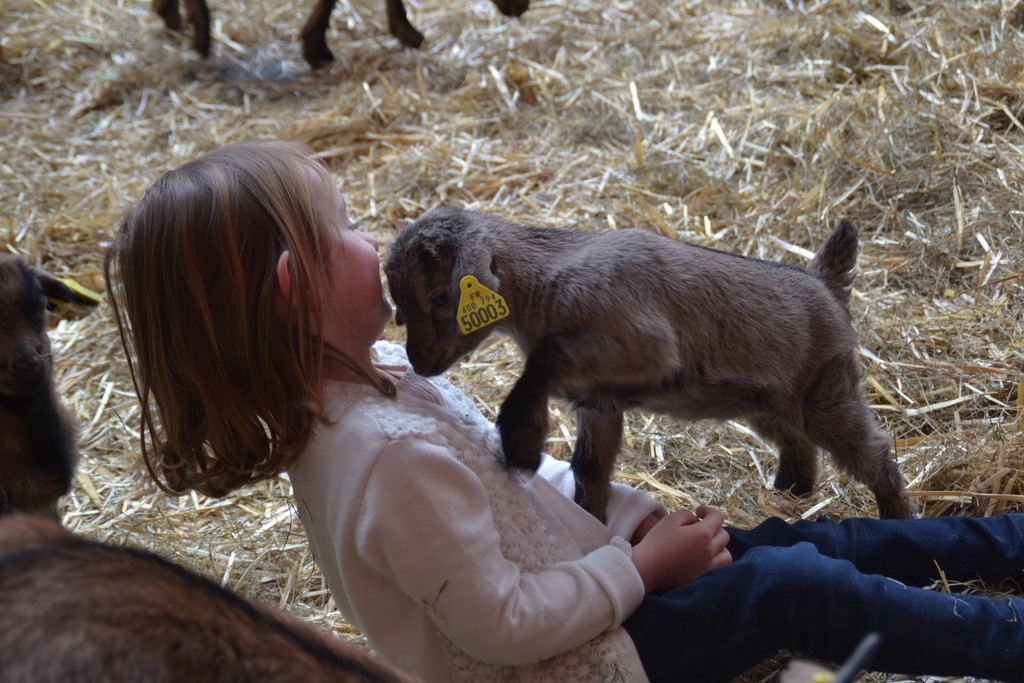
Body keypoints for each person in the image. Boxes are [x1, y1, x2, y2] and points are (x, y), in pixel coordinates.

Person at [105, 139, 1024, 683]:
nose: (371, 239)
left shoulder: (380, 373)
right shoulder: (378, 459)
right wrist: (637, 570)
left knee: (798, 544)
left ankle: (1003, 544)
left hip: (606, 596)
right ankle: (1002, 639)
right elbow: (501, 622)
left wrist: (633, 519)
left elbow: (519, 486)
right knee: (794, 588)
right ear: (295, 285)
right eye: (345, 225)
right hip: (594, 663)